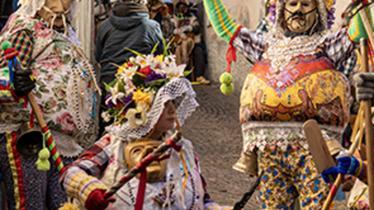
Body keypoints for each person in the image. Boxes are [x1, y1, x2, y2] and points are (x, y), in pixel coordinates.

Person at [203, 0, 358, 208]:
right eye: (292, 4)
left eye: (305, 4)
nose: (298, 10)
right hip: (269, 152)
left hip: (315, 149)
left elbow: (360, 29)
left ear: (319, 11)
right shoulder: (266, 47)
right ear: (281, 10)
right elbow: (227, 29)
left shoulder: (328, 46)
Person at [60, 52, 232, 210]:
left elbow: (203, 199)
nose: (173, 110)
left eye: (173, 102)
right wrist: (89, 190)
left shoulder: (183, 148)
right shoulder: (116, 144)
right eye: (164, 104)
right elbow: (71, 172)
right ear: (144, 109)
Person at [0, 0, 100, 209]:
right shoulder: (24, 28)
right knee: (31, 205)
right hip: (30, 138)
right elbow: (4, 76)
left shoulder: (65, 31)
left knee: (63, 204)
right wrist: (15, 85)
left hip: (64, 143)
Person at [95, 0, 164, 135]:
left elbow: (98, 56)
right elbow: (159, 57)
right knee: (141, 132)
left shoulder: (104, 26)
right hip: (141, 89)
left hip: (110, 86)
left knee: (108, 133)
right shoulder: (151, 27)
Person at [172, 0, 210, 85]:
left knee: (199, 51)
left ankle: (199, 76)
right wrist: (177, 31)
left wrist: (189, 28)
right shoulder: (174, 18)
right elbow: (172, 31)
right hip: (180, 43)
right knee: (177, 53)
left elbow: (196, 28)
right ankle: (180, 75)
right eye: (180, 7)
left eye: (184, 7)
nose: (183, 9)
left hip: (194, 41)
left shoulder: (192, 17)